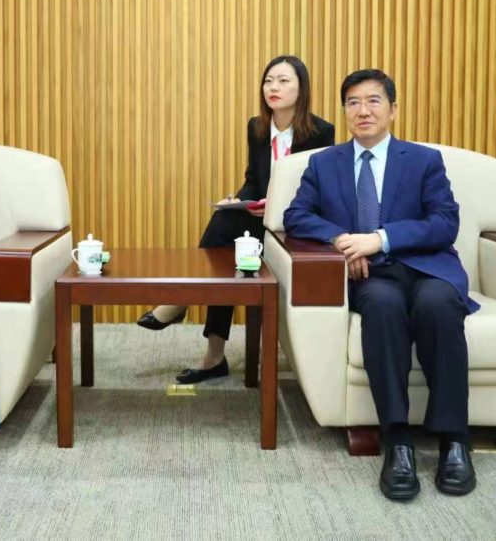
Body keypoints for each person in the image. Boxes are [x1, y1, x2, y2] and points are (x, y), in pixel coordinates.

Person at [283, 68, 477, 501]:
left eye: (373, 101)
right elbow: (296, 216)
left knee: (438, 307)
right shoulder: (324, 163)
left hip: (427, 268)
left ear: (392, 109)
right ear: (345, 111)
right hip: (372, 276)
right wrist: (341, 240)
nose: (363, 111)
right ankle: (397, 440)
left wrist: (382, 238)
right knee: (383, 309)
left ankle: (454, 439)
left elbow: (445, 223)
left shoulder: (424, 160)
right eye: (353, 102)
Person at [137, 55, 335, 384]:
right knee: (224, 236)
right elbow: (253, 181)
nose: (273, 87)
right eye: (268, 80)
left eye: (283, 81)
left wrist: (275, 205)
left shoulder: (320, 132)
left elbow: (320, 191)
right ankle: (212, 354)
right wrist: (239, 200)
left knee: (225, 240)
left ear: (301, 89)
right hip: (259, 218)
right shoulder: (257, 128)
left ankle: (182, 302)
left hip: (295, 222)